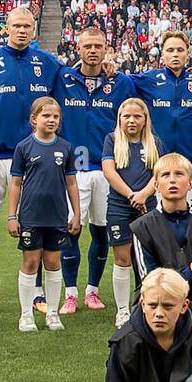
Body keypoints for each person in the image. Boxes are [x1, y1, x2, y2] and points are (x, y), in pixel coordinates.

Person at [0, 5, 63, 318]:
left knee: (34, 225)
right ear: (6, 28)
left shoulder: (48, 64)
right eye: (16, 25)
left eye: (27, 26)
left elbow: (60, 110)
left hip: (35, 159)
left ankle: (36, 294)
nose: (22, 31)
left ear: (33, 30)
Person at [56, 26, 134, 315]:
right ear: (78, 48)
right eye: (87, 45)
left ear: (106, 48)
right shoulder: (62, 78)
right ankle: (70, 293)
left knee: (102, 233)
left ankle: (92, 290)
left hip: (107, 170)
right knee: (70, 231)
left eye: (97, 46)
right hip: (72, 171)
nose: (92, 50)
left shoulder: (121, 82)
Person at [8, 97, 81, 333]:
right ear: (34, 119)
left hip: (57, 216)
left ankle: (52, 313)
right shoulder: (24, 147)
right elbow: (16, 183)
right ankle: (26, 315)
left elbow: (71, 183)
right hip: (30, 215)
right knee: (30, 262)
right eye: (46, 116)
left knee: (52, 262)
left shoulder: (65, 147)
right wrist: (12, 216)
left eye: (55, 116)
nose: (51, 120)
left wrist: (76, 214)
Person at [130, 154, 192, 331]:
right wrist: (190, 273)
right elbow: (149, 282)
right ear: (156, 186)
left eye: (179, 174)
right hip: (157, 314)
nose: (172, 180)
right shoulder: (141, 228)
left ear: (190, 183)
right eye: (165, 175)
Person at [133, 31, 192, 214]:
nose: (175, 54)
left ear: (188, 52)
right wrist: (107, 67)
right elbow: (119, 82)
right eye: (170, 50)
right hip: (156, 163)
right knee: (159, 223)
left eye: (180, 50)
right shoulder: (148, 80)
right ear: (162, 54)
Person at [101, 98, 161, 329]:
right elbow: (109, 171)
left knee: (147, 258)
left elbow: (159, 174)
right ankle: (123, 310)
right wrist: (131, 196)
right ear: (119, 119)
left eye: (137, 116)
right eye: (127, 116)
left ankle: (146, 305)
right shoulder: (112, 140)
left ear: (145, 119)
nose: (132, 120)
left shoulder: (154, 142)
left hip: (148, 207)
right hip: (119, 206)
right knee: (122, 259)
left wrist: (144, 195)